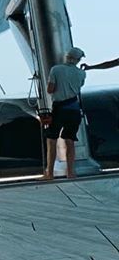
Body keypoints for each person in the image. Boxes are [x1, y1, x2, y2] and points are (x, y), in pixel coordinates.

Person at [42, 47, 87, 179]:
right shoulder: (82, 73)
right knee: (70, 140)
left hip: (59, 109)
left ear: (67, 57)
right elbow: (78, 87)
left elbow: (50, 89)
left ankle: (49, 173)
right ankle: (71, 172)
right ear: (78, 60)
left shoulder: (56, 69)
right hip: (74, 110)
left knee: (52, 139)